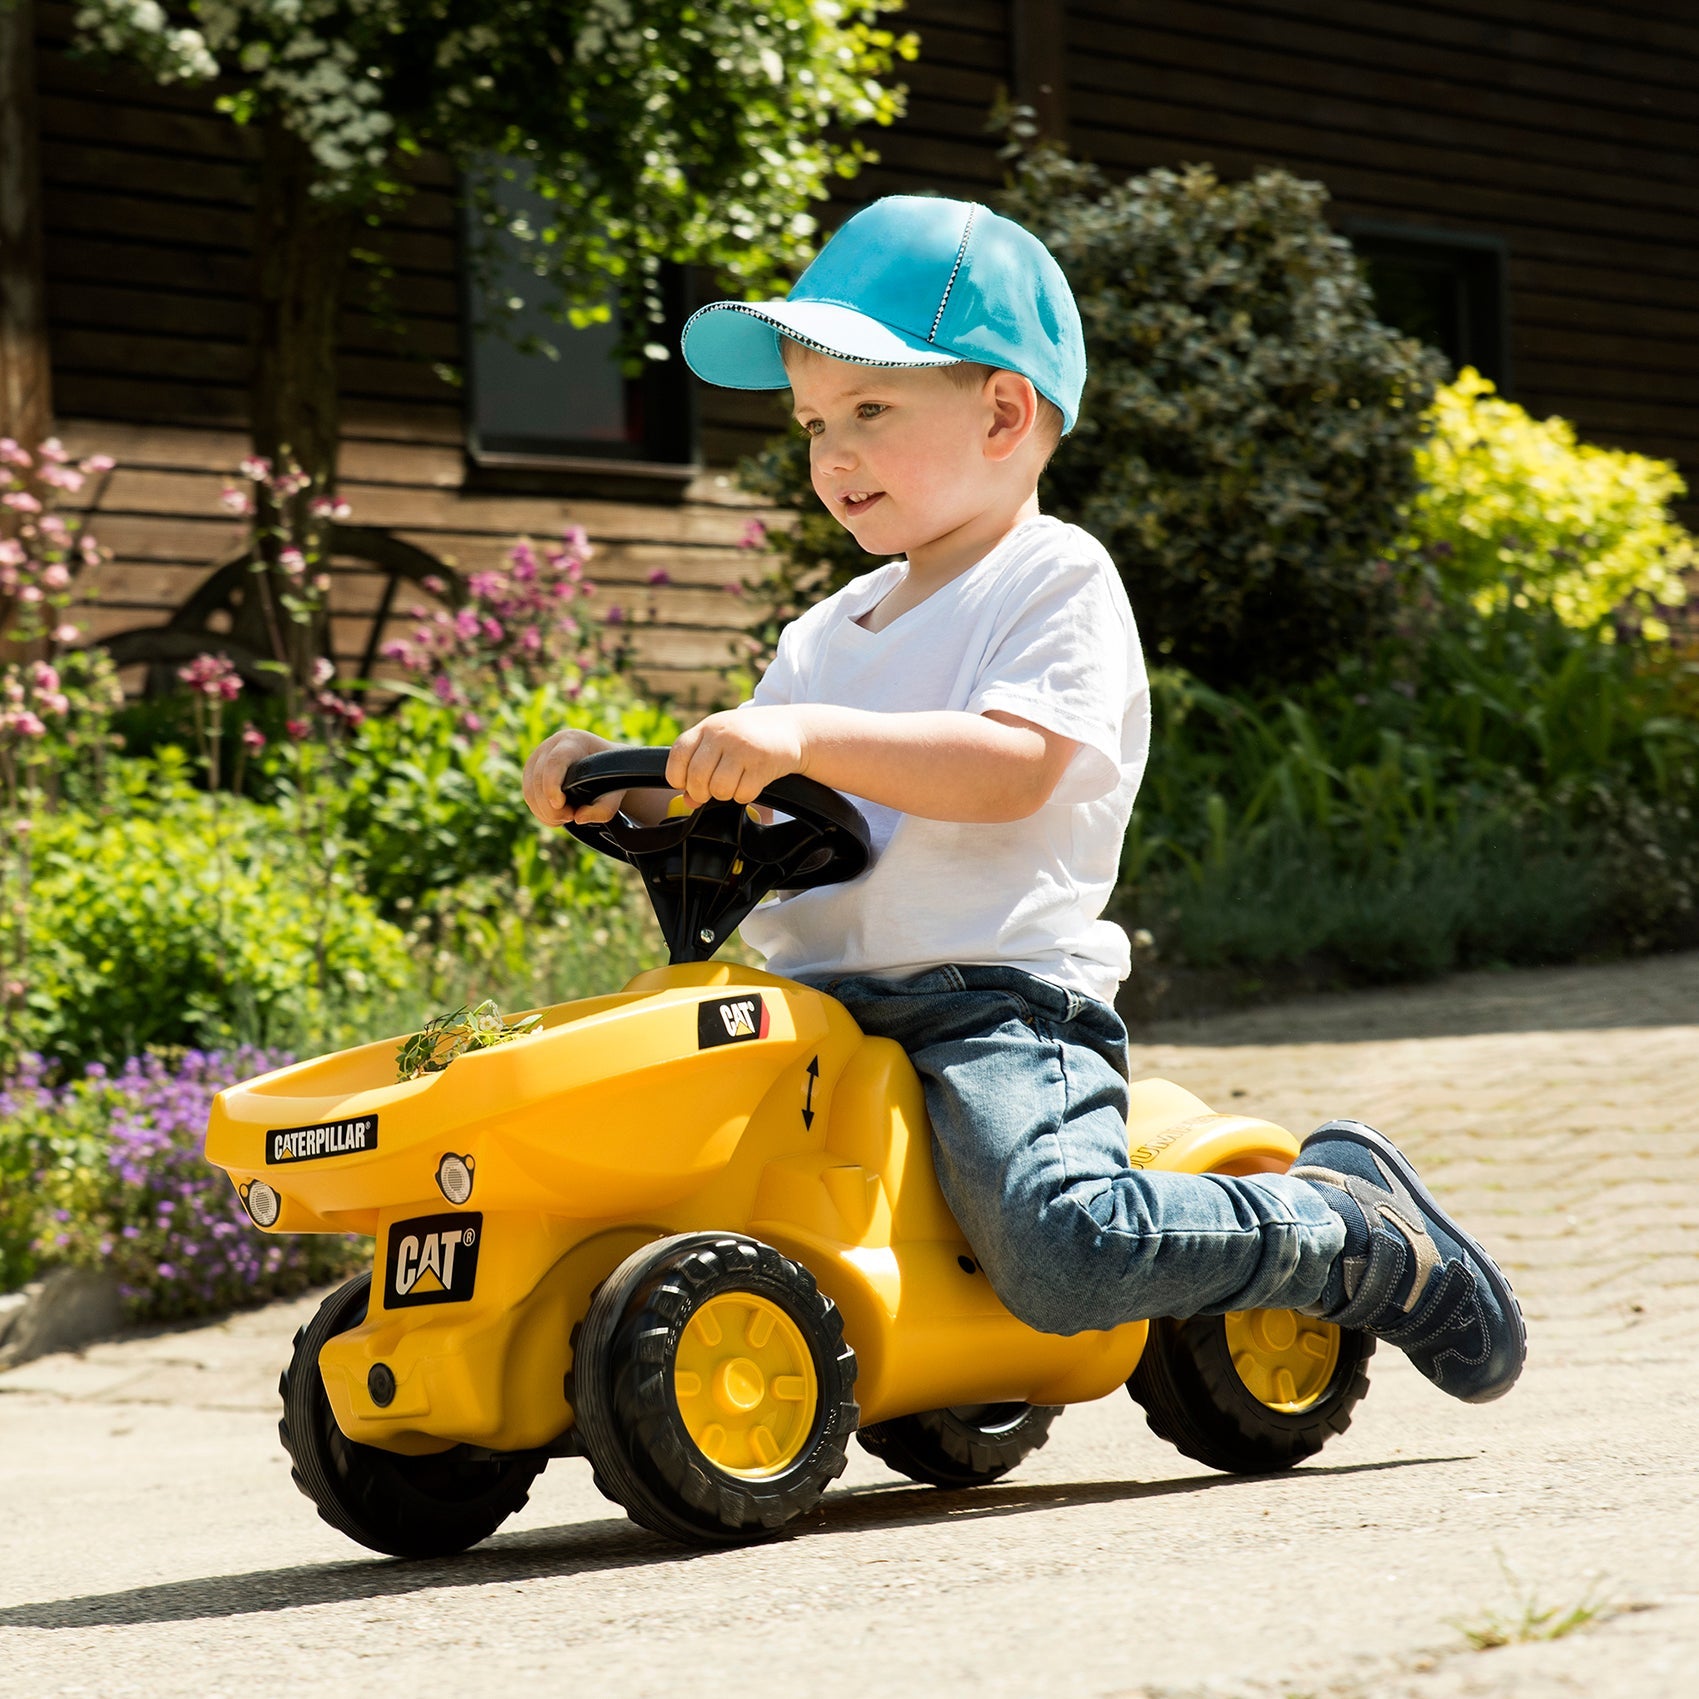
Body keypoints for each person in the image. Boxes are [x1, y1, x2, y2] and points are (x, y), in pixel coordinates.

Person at [522, 195, 1525, 1404]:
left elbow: (1014, 765)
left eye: (870, 410)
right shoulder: (822, 632)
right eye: (812, 423)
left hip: (989, 1005)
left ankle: (1344, 1231)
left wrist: (800, 733)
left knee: (1064, 1248)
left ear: (1003, 410)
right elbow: (771, 832)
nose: (830, 455)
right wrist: (623, 795)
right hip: (815, 1013)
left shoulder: (1050, 579)